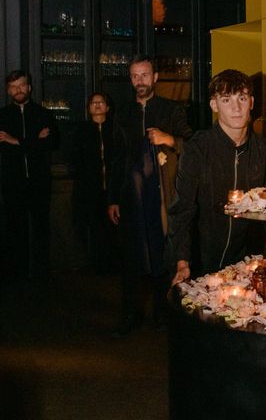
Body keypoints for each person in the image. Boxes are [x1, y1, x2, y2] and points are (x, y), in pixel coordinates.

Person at [168, 69, 266, 286]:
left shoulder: (265, 148)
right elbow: (182, 209)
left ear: (251, 102)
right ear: (214, 105)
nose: (236, 107)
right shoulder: (197, 148)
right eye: (226, 99)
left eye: (241, 98)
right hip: (201, 260)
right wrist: (182, 260)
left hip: (247, 260)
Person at [107, 55, 192, 337]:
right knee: (130, 257)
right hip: (131, 197)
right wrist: (113, 199)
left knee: (160, 253)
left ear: (155, 77)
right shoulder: (122, 113)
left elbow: (192, 145)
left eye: (144, 75)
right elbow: (116, 159)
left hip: (161, 196)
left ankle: (162, 312)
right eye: (134, 76)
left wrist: (168, 139)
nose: (139, 81)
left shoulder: (173, 109)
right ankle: (130, 314)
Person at [0, 70, 58, 280]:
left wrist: (14, 141)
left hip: (39, 181)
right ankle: (17, 273)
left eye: (22, 85)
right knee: (15, 228)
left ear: (29, 87)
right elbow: (3, 149)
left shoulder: (44, 114)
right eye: (14, 87)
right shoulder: (2, 116)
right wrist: (34, 141)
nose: (18, 90)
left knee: (41, 227)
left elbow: (51, 144)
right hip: (12, 182)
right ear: (8, 91)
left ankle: (41, 273)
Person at [71, 92, 117, 274]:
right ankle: (94, 264)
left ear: (107, 107)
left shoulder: (115, 129)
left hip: (113, 189)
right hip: (89, 189)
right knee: (92, 227)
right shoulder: (81, 130)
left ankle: (112, 264)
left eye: (101, 102)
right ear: (88, 108)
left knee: (112, 228)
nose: (97, 105)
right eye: (93, 102)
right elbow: (74, 159)